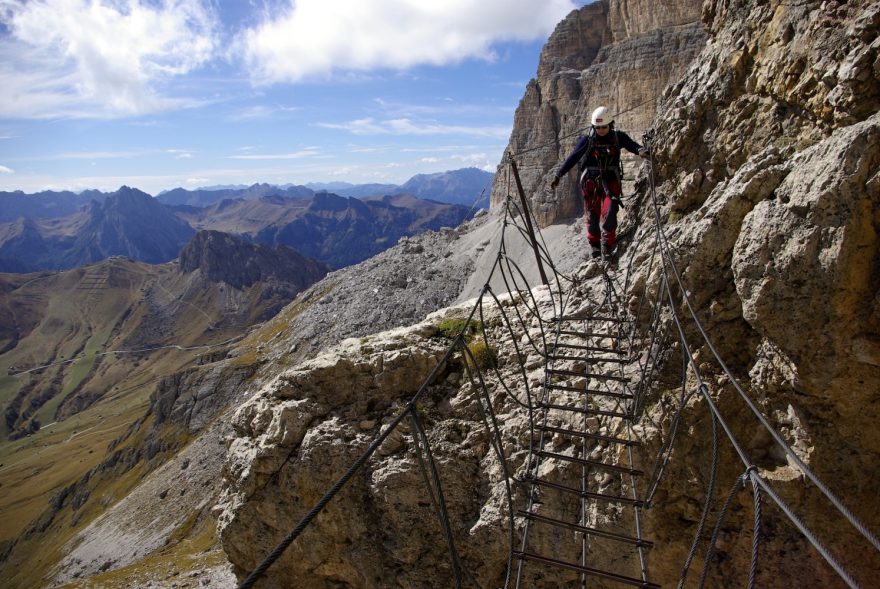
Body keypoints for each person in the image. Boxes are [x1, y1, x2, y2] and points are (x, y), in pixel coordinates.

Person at [550, 106, 649, 259]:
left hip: (611, 182)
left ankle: (607, 244)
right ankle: (595, 246)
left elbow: (632, 145)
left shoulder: (618, 137)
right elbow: (573, 157)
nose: (601, 130)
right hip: (591, 183)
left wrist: (641, 150)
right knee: (592, 214)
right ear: (593, 126)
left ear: (610, 124)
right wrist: (559, 175)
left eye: (604, 127)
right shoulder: (587, 140)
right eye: (598, 127)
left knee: (611, 209)